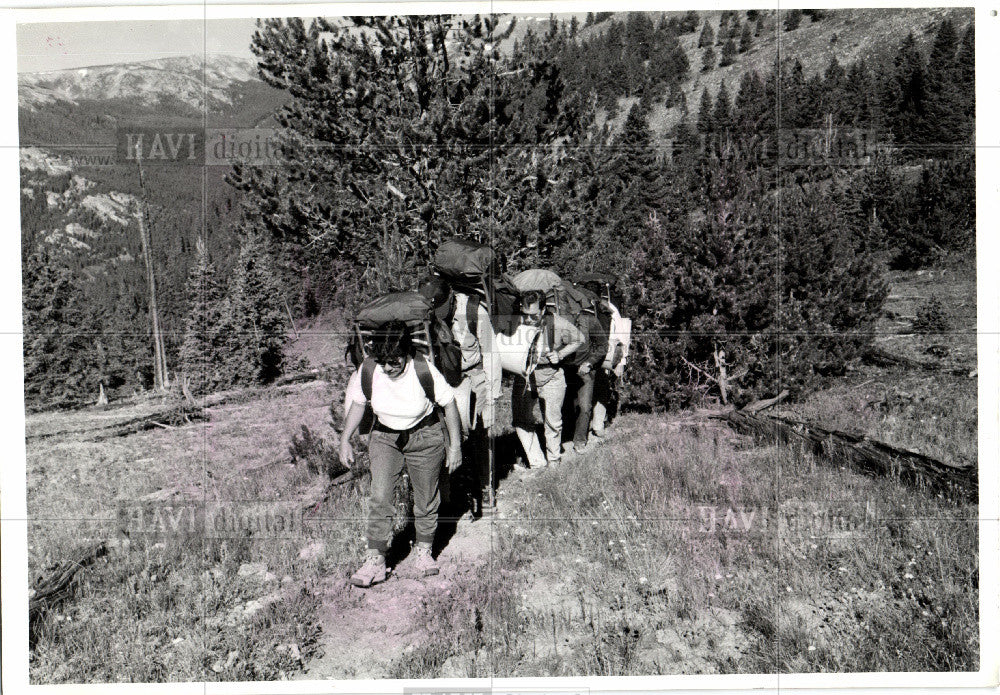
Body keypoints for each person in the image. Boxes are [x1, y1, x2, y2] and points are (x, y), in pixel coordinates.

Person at [339, 321, 463, 588]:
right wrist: (344, 439)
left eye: (394, 362)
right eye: (383, 362)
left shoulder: (423, 369)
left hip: (425, 436)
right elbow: (358, 404)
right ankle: (376, 559)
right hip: (385, 436)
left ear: (407, 353)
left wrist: (455, 447)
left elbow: (450, 404)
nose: (388, 368)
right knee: (380, 495)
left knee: (426, 497)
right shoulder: (370, 369)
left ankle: (423, 550)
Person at [511, 290, 584, 469]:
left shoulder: (558, 324)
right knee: (521, 419)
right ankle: (536, 461)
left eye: (533, 315)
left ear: (543, 310)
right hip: (525, 377)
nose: (529, 319)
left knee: (552, 422)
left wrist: (560, 354)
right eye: (525, 314)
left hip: (552, 377)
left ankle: (553, 460)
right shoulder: (517, 322)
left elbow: (579, 339)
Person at [564, 305, 609, 454]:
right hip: (564, 370)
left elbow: (602, 346)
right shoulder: (558, 322)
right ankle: (565, 437)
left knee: (584, 406)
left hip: (585, 370)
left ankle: (579, 440)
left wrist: (589, 363)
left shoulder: (590, 321)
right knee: (568, 406)